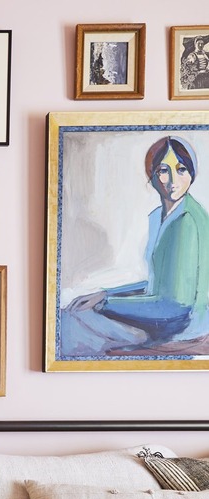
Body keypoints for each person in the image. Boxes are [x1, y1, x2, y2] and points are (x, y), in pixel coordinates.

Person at [60, 135, 209, 357]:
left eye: (181, 169)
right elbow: (158, 286)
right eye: (163, 170)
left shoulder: (186, 221)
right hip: (164, 320)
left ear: (192, 173)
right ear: (152, 175)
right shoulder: (160, 216)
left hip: (182, 330)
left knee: (71, 324)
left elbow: (176, 306)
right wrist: (105, 294)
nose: (172, 180)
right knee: (72, 316)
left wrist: (106, 303)